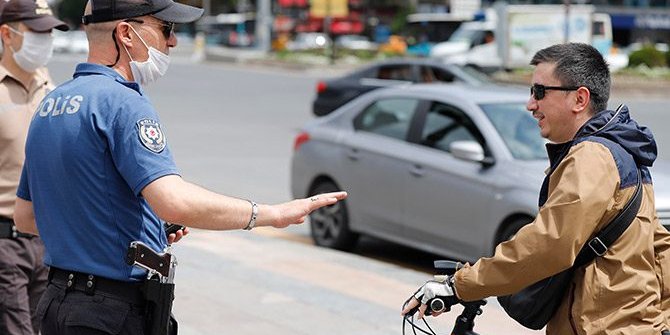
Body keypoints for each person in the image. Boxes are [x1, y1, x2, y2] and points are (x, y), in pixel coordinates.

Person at [12, 0, 347, 334]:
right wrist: (270, 215)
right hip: (108, 311)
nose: (172, 41)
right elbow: (176, 202)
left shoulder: (50, 104)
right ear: (127, 33)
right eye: (165, 28)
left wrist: (131, 227)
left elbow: (26, 217)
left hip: (57, 303)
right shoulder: (123, 101)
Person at [402, 43, 670, 334]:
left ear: (579, 99)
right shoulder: (623, 151)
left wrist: (460, 285)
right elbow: (657, 246)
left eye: (540, 92)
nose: (531, 104)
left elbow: (549, 244)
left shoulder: (591, 157)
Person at [0, 1, 68, 334]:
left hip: (49, 241)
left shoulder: (55, 93)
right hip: (6, 244)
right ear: (7, 34)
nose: (45, 40)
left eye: (49, 32)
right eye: (36, 32)